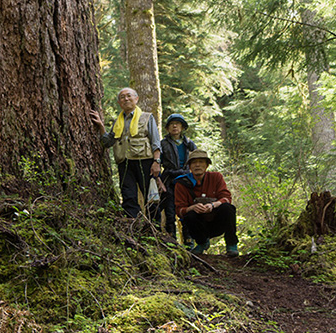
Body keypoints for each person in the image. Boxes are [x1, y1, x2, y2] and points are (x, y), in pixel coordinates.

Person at [90, 88, 162, 219]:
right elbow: (108, 142)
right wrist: (101, 126)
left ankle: (155, 227)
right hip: (125, 163)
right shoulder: (118, 122)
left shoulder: (147, 117)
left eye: (129, 96)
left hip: (145, 161)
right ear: (119, 102)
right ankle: (132, 223)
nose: (126, 99)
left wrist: (156, 162)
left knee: (151, 196)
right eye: (122, 97)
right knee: (128, 196)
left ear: (136, 99)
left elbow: (155, 141)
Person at [174, 149, 239, 257]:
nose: (197, 165)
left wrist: (213, 205)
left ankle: (231, 244)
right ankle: (202, 243)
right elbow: (179, 210)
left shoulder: (216, 177)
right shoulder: (181, 183)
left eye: (201, 162)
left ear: (207, 165)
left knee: (228, 208)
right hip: (198, 225)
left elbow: (226, 198)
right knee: (189, 215)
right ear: (189, 166)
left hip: (216, 222)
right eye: (194, 162)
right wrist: (192, 208)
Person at [150, 113, 196, 241]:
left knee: (187, 210)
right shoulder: (162, 144)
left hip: (186, 180)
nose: (174, 126)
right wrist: (159, 180)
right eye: (171, 124)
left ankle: (188, 242)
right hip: (169, 180)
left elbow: (197, 160)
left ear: (182, 127)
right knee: (169, 211)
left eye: (177, 124)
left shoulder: (189, 144)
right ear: (167, 128)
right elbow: (156, 163)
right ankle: (171, 241)